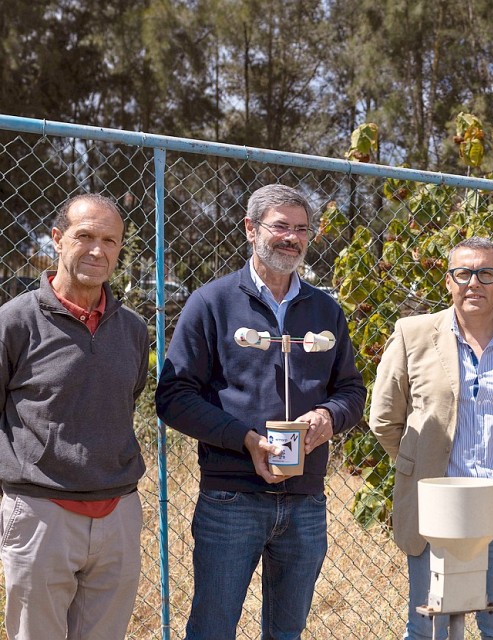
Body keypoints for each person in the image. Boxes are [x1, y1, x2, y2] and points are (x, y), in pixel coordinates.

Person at [155, 184, 366, 640]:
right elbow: (173, 396)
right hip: (231, 498)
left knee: (287, 632)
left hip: (305, 499)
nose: (291, 238)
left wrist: (330, 416)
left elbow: (350, 389)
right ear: (251, 229)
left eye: (301, 229)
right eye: (280, 227)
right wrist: (245, 440)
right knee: (213, 629)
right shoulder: (212, 303)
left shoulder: (324, 310)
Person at [369, 237, 493, 640]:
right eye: (464, 273)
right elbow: (384, 419)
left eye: (486, 273)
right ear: (448, 281)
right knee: (428, 625)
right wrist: (421, 464)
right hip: (436, 504)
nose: (475, 282)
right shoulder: (411, 334)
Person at [0, 193, 149, 639]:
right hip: (41, 514)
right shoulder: (15, 322)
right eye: (84, 236)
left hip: (118, 515)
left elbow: (128, 399)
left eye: (110, 240)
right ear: (58, 239)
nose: (97, 250)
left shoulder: (133, 330)